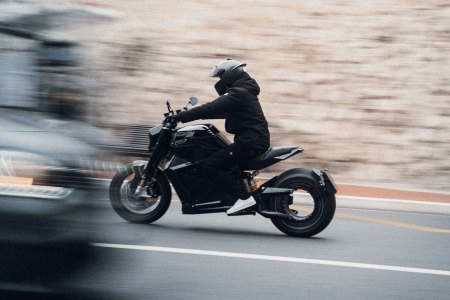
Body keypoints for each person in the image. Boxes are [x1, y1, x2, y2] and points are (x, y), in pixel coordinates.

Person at [170, 59, 270, 214]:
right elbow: (217, 111)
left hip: (250, 142)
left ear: (231, 74)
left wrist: (180, 118)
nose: (220, 80)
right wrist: (188, 115)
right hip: (252, 140)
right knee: (222, 159)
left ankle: (244, 198)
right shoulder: (243, 91)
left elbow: (210, 107)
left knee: (211, 165)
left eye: (221, 76)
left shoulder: (238, 93)